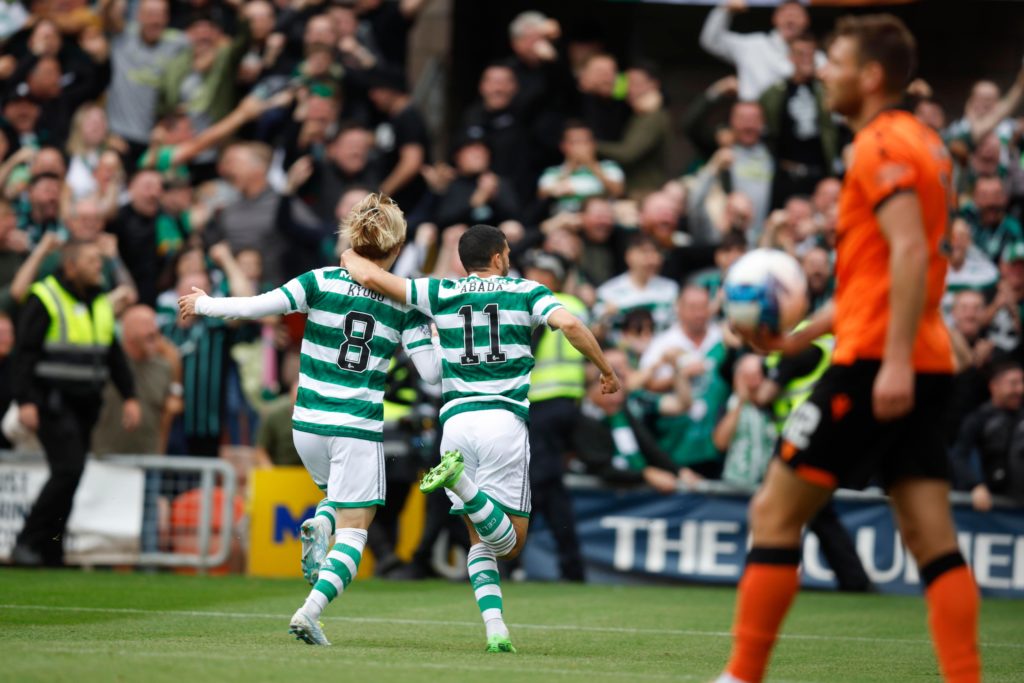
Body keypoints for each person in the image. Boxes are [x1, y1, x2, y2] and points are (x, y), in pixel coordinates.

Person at [716, 15, 980, 683]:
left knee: (773, 512)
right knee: (931, 540)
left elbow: (911, 253)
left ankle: (741, 676)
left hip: (876, 364)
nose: (824, 70)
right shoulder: (927, 142)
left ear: (869, 76)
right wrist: (795, 337)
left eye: (834, 60)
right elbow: (872, 278)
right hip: (923, 359)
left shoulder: (879, 144)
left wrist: (889, 362)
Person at [342, 223, 620, 653]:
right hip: (502, 422)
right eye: (506, 252)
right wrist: (605, 368)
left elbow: (373, 277)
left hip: (455, 424)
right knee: (510, 545)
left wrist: (349, 255)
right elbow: (570, 325)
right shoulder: (526, 292)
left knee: (479, 541)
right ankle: (462, 484)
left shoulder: (440, 292)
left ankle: (495, 628)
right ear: (497, 257)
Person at [178, 193, 442, 646]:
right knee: (357, 528)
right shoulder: (405, 302)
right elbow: (433, 374)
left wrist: (203, 304)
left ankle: (321, 520)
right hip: (355, 426)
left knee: (336, 504)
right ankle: (309, 611)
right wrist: (436, 331)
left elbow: (256, 306)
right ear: (395, 249)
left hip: (307, 424)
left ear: (351, 238)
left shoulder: (319, 281)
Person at [9, 241, 141, 566]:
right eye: (92, 260)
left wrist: (130, 396)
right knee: (69, 469)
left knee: (70, 473)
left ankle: (50, 550)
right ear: (70, 265)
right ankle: (26, 541)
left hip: (87, 406)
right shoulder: (45, 296)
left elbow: (112, 354)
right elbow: (24, 354)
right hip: (52, 401)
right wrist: (26, 400)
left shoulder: (99, 301)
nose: (99, 266)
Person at [92, 304, 180, 455]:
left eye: (154, 325)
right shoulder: (110, 364)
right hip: (105, 456)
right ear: (128, 333)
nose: (153, 331)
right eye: (146, 326)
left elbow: (171, 406)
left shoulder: (163, 367)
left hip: (148, 458)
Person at [699, 0, 820, 101]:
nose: (791, 19)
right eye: (786, 14)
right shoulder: (753, 45)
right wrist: (724, 10)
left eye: (796, 15)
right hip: (754, 122)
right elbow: (711, 41)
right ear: (775, 18)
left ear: (807, 21)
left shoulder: (817, 57)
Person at [950, 359, 1024, 510]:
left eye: (1022, 383)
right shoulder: (979, 418)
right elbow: (959, 456)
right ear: (994, 386)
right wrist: (975, 485)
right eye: (1013, 383)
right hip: (996, 505)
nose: (1020, 389)